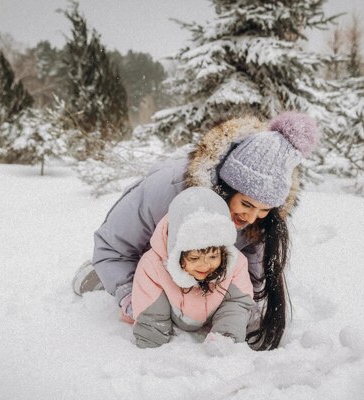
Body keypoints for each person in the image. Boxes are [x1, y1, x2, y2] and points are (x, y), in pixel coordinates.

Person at [72, 111, 320, 350]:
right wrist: (130, 295)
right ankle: (93, 276)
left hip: (198, 268)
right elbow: (112, 248)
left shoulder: (256, 219)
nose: (251, 217)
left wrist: (244, 303)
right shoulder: (165, 190)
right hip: (146, 264)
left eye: (264, 210)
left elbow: (248, 265)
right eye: (246, 204)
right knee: (131, 285)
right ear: (226, 187)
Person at [131, 187, 254, 348]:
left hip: (204, 317)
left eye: (213, 256)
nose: (204, 265)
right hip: (167, 312)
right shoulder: (153, 266)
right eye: (194, 258)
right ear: (177, 251)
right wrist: (150, 345)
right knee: (98, 284)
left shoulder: (236, 264)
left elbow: (236, 303)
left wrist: (226, 337)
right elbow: (151, 314)